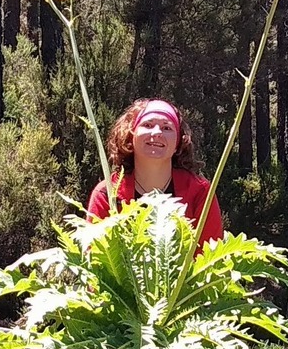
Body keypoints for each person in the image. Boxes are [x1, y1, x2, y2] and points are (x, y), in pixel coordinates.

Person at [86, 99, 225, 247]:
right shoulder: (107, 194)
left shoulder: (199, 192)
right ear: (130, 136)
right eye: (148, 125)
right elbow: (95, 258)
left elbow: (210, 257)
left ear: (178, 143)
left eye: (167, 128)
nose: (157, 132)